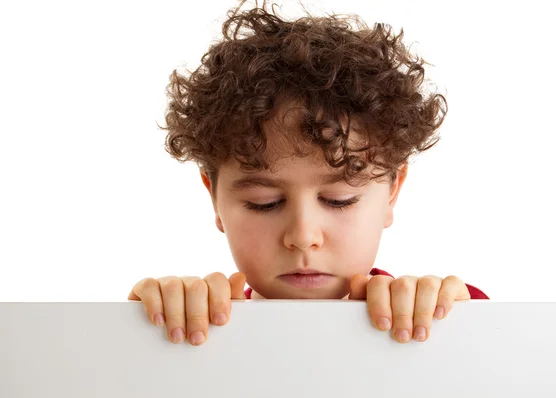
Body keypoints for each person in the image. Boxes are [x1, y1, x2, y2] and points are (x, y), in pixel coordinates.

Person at [128, 0, 489, 348]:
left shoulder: (449, 316)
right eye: (263, 203)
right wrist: (142, 330)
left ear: (392, 192)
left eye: (339, 200)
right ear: (214, 196)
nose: (303, 237)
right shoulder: (194, 329)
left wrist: (456, 320)